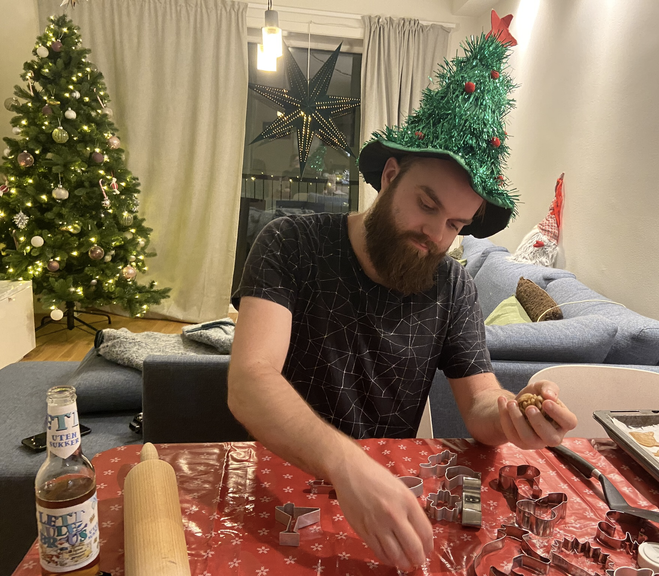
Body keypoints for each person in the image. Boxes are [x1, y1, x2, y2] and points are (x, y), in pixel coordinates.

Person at [229, 15, 577, 572]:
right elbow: (249, 382)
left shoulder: (453, 284)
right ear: (389, 174)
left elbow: (481, 405)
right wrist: (345, 464)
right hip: (280, 487)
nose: (437, 236)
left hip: (386, 500)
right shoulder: (290, 243)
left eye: (457, 225)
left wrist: (514, 417)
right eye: (428, 205)